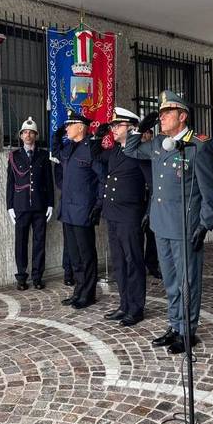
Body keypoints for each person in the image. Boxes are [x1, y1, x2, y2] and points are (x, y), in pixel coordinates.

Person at [124, 90, 213, 355]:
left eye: (167, 113)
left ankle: (187, 331)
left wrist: (205, 224)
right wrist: (141, 126)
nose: (162, 118)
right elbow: (130, 149)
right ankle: (175, 325)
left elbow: (209, 190)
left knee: (188, 282)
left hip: (185, 226)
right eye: (161, 114)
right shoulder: (158, 144)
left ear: (182, 116)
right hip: (161, 224)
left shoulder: (196, 146)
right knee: (170, 281)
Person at [91, 108, 151, 326]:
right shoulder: (115, 152)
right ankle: (125, 304)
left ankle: (136, 308)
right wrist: (99, 136)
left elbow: (152, 184)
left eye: (118, 125)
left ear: (132, 127)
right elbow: (95, 157)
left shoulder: (140, 152)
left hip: (130, 214)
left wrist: (149, 212)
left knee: (133, 261)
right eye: (113, 126)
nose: (113, 129)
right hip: (113, 213)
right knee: (119, 263)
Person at [53, 110, 105, 309]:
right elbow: (56, 150)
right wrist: (58, 132)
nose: (67, 128)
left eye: (69, 125)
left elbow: (102, 179)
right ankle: (79, 291)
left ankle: (88, 294)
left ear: (81, 127)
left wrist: (98, 205)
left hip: (83, 211)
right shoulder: (69, 148)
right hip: (67, 211)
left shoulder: (91, 148)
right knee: (74, 256)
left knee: (86, 255)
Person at [6, 117, 54, 290]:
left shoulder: (43, 155)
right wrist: (9, 206)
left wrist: (50, 204)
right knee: (21, 242)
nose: (28, 135)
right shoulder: (14, 156)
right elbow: (10, 183)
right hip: (21, 206)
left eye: (31, 132)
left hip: (40, 206)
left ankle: (37, 276)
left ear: (36, 135)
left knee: (39, 242)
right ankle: (21, 276)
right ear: (21, 136)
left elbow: (49, 181)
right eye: (25, 132)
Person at [140, 130, 162, 280]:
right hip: (138, 199)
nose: (147, 136)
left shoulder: (154, 152)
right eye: (144, 134)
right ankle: (140, 264)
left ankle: (152, 264)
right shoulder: (137, 153)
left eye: (149, 133)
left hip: (152, 198)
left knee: (152, 233)